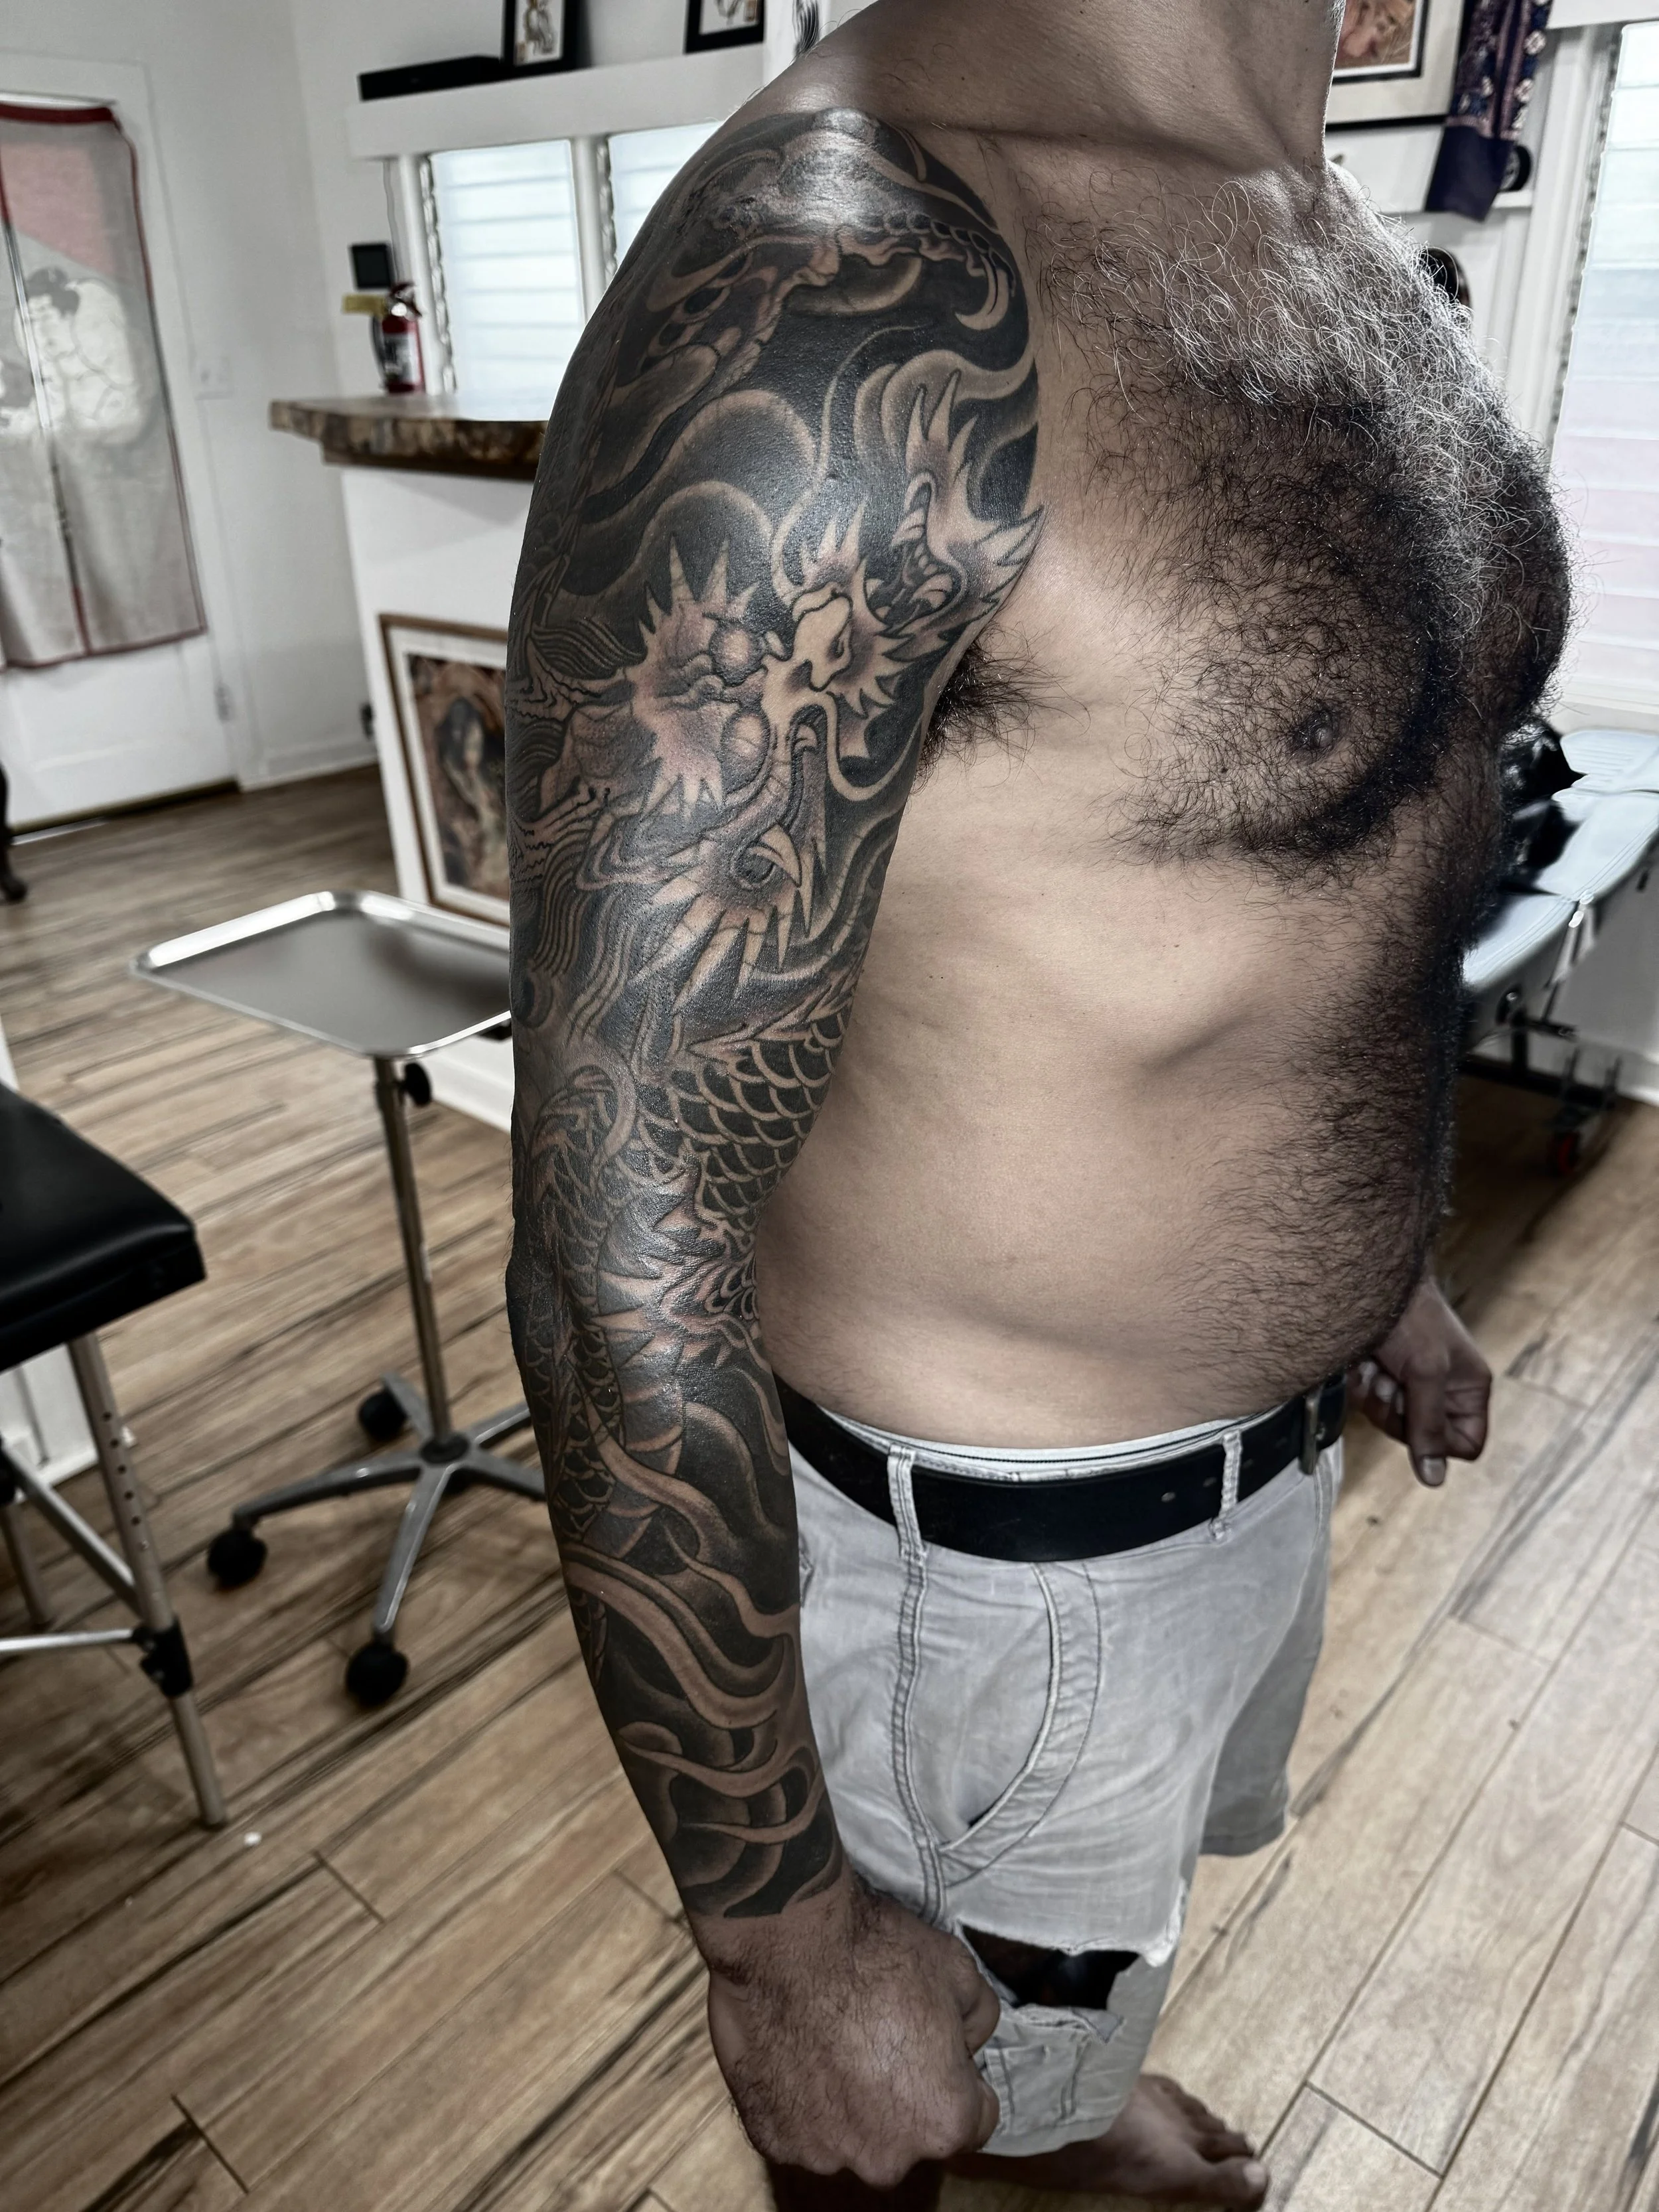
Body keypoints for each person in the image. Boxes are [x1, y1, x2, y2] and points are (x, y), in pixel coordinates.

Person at [502, 2, 1570, 2204]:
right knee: (920, 2146)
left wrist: (1385, 1269)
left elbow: (1329, 871)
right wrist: (786, 1945)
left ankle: (1069, 2086)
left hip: (1247, 1495)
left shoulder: (1291, 207)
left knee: (1071, 2023)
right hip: (1005, 1587)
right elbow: (625, 1219)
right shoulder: (844, 287)